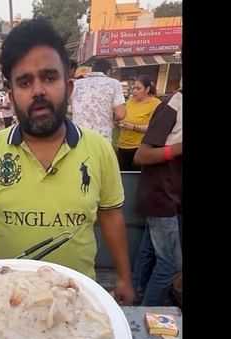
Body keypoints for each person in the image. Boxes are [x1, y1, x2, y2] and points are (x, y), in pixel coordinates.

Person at [0, 17, 135, 305]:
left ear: (68, 88)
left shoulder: (99, 149)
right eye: (24, 82)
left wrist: (124, 277)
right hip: (8, 300)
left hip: (76, 295)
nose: (38, 91)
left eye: (49, 77)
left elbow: (111, 215)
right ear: (11, 95)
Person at [133, 80, 182, 306]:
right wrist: (177, 149)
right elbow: (141, 156)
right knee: (171, 264)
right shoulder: (174, 105)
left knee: (149, 251)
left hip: (167, 194)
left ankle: (136, 297)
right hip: (161, 194)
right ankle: (148, 312)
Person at [70, 58, 126, 142]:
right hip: (102, 138)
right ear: (108, 71)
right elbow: (120, 115)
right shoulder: (114, 84)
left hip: (79, 136)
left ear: (93, 70)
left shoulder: (76, 84)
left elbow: (69, 108)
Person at [115, 75, 161, 171]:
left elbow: (154, 128)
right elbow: (121, 118)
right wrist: (118, 122)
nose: (134, 91)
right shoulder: (129, 102)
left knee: (136, 177)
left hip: (139, 148)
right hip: (123, 146)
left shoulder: (155, 104)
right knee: (122, 176)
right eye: (134, 88)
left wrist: (134, 127)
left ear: (147, 89)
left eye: (138, 88)